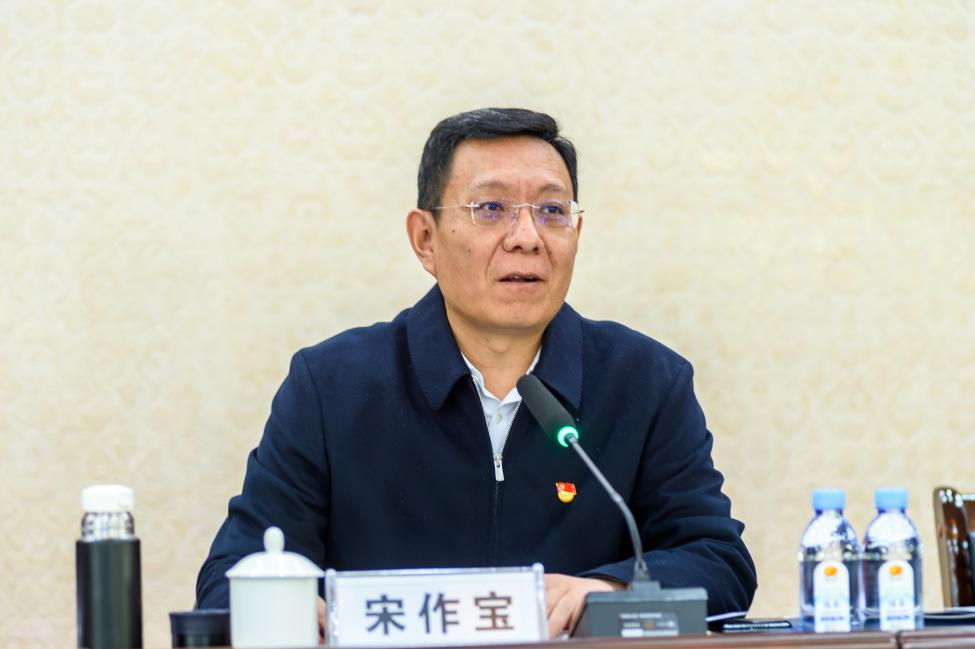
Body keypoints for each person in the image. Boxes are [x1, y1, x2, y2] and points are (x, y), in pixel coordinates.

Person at [196, 108, 757, 636]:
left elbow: (718, 561)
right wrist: (291, 609)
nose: (527, 237)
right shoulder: (333, 387)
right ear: (425, 240)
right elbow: (229, 578)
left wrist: (611, 591)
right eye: (490, 209)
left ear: (576, 235)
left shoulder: (646, 382)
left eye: (552, 211)